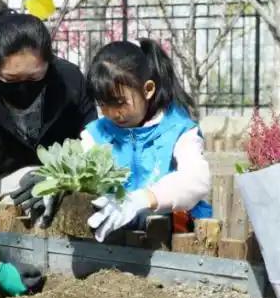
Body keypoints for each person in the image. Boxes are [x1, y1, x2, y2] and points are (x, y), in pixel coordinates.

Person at [0, 10, 97, 296]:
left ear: (49, 62)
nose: (24, 87)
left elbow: (95, 143)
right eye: (11, 80)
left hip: (50, 178)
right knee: (27, 179)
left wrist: (58, 178)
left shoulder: (68, 83)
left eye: (35, 77)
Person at [82, 39, 212, 243]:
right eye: (103, 104)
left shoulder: (179, 129)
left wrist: (143, 199)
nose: (113, 113)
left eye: (119, 102)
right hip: (116, 238)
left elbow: (196, 179)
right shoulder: (96, 134)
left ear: (148, 89)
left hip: (178, 237)